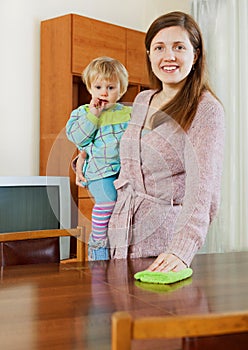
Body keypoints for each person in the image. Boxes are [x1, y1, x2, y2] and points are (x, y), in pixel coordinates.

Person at [75, 11, 225, 273]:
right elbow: (121, 150)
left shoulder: (205, 109)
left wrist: (181, 250)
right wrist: (83, 157)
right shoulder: (143, 100)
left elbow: (204, 189)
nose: (169, 56)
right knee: (117, 311)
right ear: (149, 54)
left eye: (179, 47)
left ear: (196, 55)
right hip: (119, 233)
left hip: (162, 245)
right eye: (159, 47)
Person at [66, 56, 131, 260]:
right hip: (99, 173)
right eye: (99, 86)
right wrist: (93, 114)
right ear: (89, 88)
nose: (104, 92)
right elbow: (77, 137)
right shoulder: (82, 113)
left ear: (121, 90)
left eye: (111, 88)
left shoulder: (129, 113)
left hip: (124, 171)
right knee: (108, 201)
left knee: (125, 209)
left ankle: (119, 248)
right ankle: (98, 244)